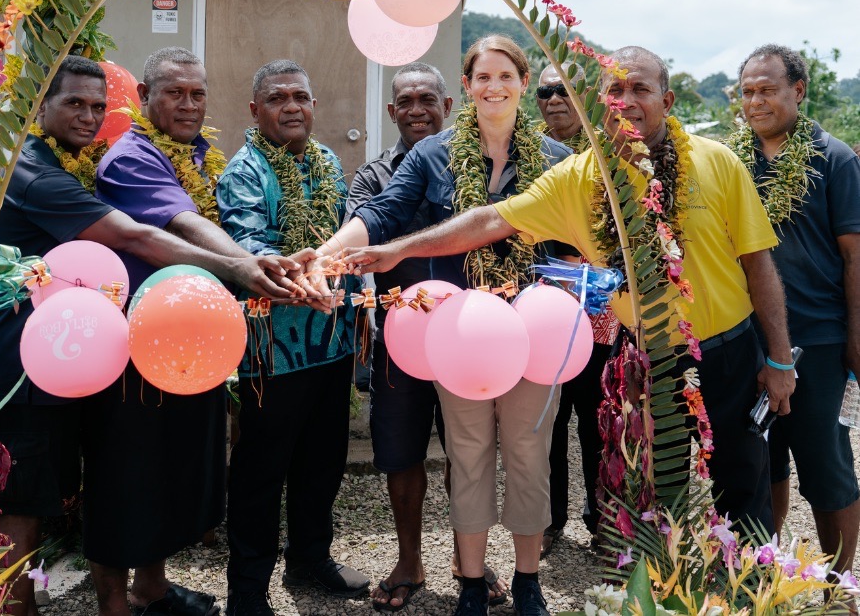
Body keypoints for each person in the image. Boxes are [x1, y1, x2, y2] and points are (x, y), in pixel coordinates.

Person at [339, 45, 796, 543]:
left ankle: (750, 581)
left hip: (728, 354)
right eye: (615, 90)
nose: (626, 101)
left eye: (640, 89)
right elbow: (490, 220)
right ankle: (664, 581)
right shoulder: (578, 177)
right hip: (644, 361)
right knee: (652, 495)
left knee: (742, 490)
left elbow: (758, 264)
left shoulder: (718, 161)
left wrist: (779, 360)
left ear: (666, 100)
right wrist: (397, 249)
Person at [0, 55, 302, 616]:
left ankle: (136, 592)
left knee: (78, 487)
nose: (88, 117)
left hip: (74, 358)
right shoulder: (33, 172)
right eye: (73, 104)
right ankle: (14, 609)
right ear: (40, 107)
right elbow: (135, 236)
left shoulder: (76, 163)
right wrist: (241, 268)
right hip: (24, 367)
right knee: (21, 500)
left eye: (97, 106)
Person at [313, 36, 572, 616]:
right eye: (483, 77)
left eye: (505, 76)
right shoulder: (433, 153)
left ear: (523, 82)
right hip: (464, 338)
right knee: (469, 456)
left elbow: (582, 238)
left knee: (529, 457)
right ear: (468, 86)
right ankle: (472, 585)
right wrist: (327, 254)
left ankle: (528, 581)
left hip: (534, 335)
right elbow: (382, 212)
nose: (494, 87)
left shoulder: (558, 159)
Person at [86, 47, 307, 616]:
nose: (188, 105)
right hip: (133, 346)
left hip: (185, 343)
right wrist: (247, 267)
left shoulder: (197, 155)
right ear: (143, 96)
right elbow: (184, 224)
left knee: (167, 470)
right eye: (174, 93)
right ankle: (114, 604)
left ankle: (152, 589)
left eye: (197, 94)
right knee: (126, 473)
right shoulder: (130, 158)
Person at [216, 59, 369, 616]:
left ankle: (309, 558)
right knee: (262, 470)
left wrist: (353, 297)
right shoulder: (244, 172)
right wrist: (300, 277)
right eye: (278, 98)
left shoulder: (326, 161)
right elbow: (251, 249)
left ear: (313, 105)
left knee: (322, 461)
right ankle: (248, 590)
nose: (291, 107)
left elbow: (345, 240)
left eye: (300, 97)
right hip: (273, 353)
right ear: (255, 110)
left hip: (331, 342)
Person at [730, 44, 860, 579]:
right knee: (762, 461)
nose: (755, 101)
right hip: (746, 337)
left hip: (819, 339)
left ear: (798, 91)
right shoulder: (732, 161)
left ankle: (838, 586)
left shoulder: (835, 159)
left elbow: (853, 257)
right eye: (747, 92)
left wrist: (855, 338)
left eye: (767, 90)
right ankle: (767, 577)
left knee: (826, 466)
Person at [345, 62, 460, 611]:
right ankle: (409, 559)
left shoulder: (470, 166)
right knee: (399, 450)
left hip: (469, 336)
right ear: (391, 111)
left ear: (448, 106)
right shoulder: (373, 176)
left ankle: (468, 558)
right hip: (398, 336)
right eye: (406, 102)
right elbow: (365, 229)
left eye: (427, 99)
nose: (417, 110)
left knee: (469, 451)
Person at [533, 63, 620, 556]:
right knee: (547, 422)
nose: (554, 100)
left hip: (600, 315)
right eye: (545, 91)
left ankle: (603, 520)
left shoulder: (612, 153)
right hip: (541, 315)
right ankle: (549, 520)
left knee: (597, 421)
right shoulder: (527, 153)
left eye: (564, 90)